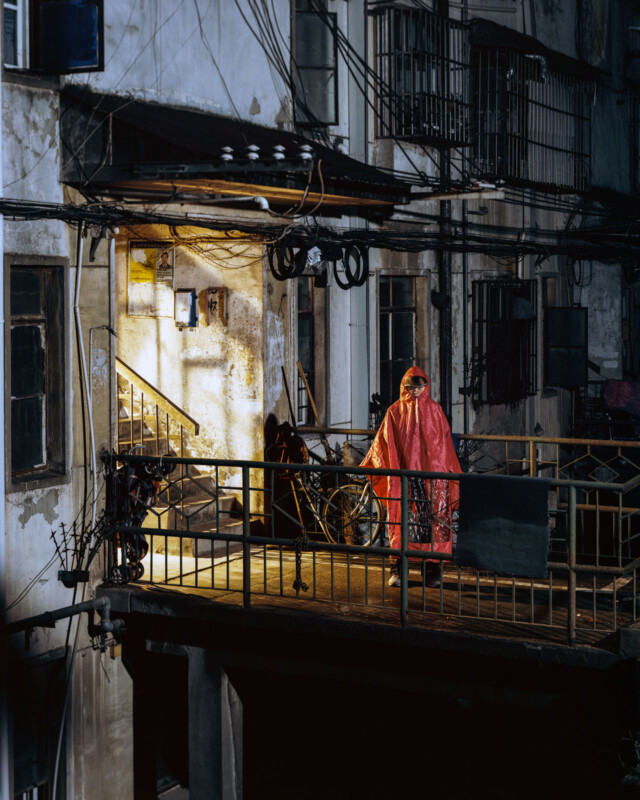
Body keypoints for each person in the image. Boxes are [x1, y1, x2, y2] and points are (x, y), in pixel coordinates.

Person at [360, 366, 461, 588]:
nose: (415, 391)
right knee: (402, 525)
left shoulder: (435, 411)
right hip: (405, 478)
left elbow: (444, 445)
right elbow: (384, 443)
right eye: (411, 387)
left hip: (432, 479)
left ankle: (432, 570)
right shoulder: (394, 412)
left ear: (425, 386)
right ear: (405, 387)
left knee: (432, 526)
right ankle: (398, 569)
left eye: (419, 386)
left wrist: (449, 474)